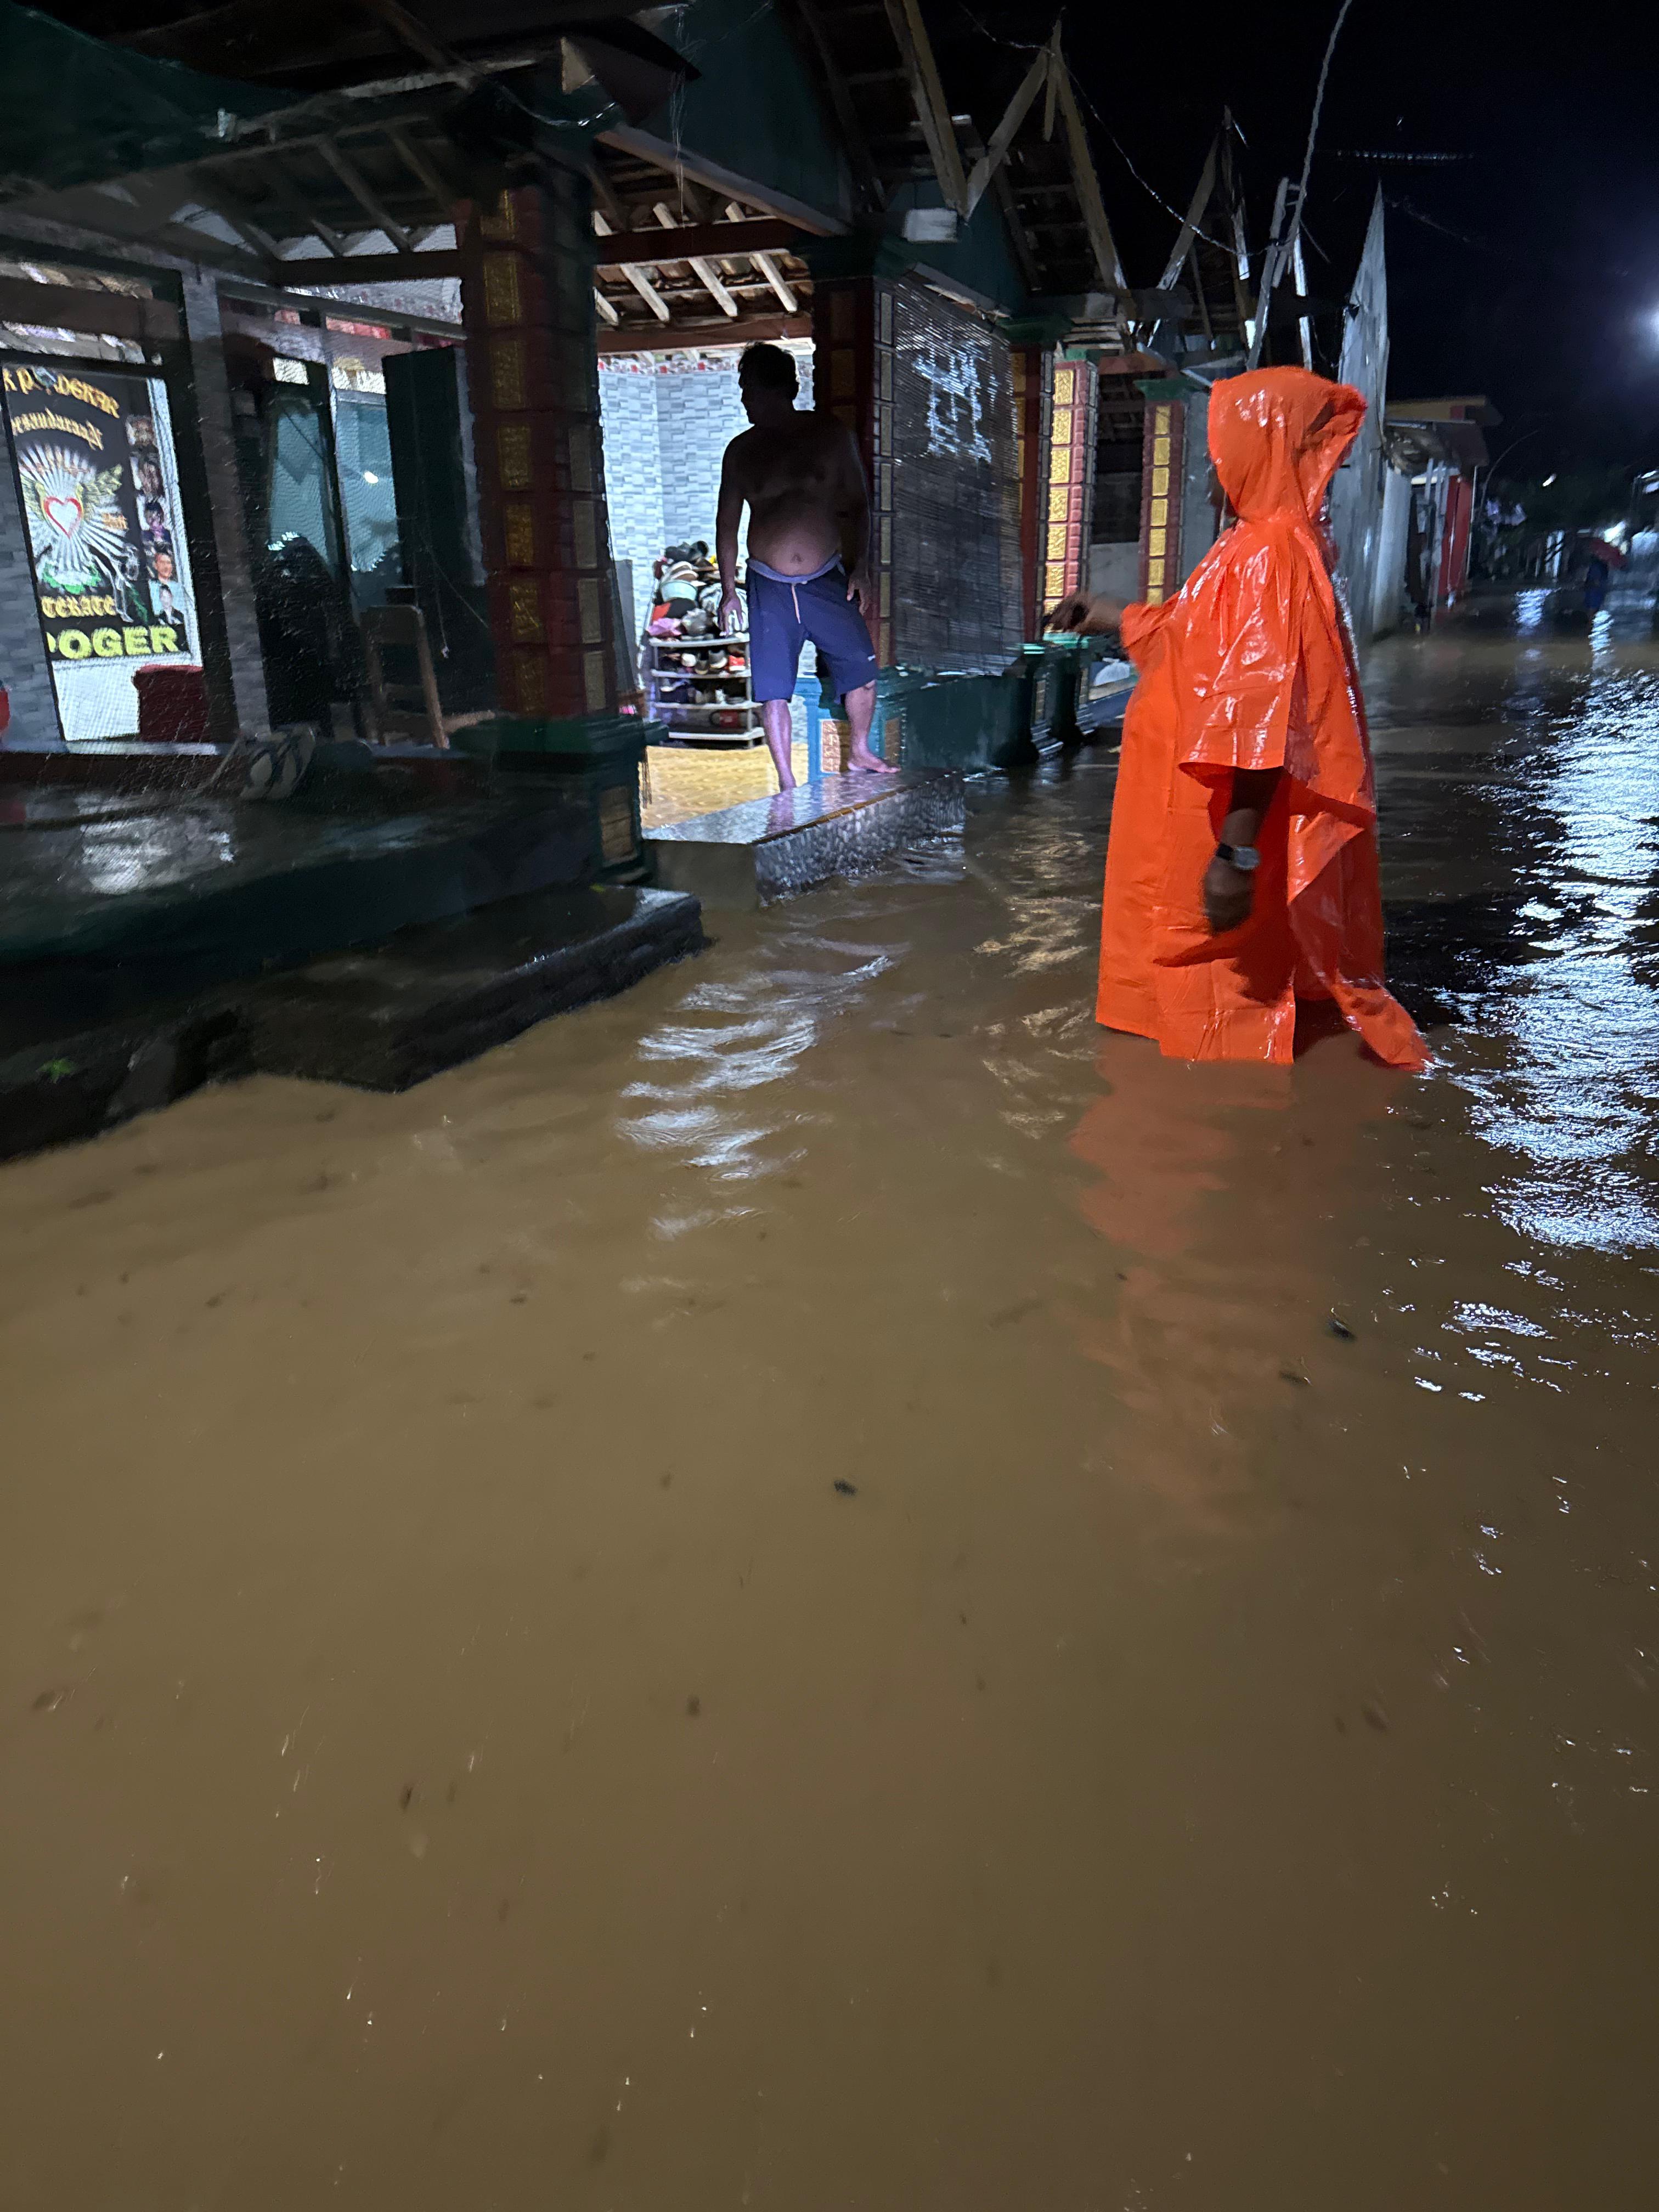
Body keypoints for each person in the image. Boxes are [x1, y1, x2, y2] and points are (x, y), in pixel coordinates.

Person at [1050, 365, 1425, 1070]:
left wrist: (1234, 857)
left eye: (1224, 447)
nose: (1213, 467)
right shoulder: (1266, 545)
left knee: (1217, 992)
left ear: (1263, 443)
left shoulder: (1267, 555)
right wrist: (1107, 614)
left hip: (1210, 817)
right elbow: (1196, 645)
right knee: (1208, 977)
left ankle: (1233, 1131)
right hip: (1201, 807)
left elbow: (1263, 715)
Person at [716, 342, 895, 790]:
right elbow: (726, 526)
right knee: (773, 689)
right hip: (768, 584)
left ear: (782, 390)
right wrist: (728, 591)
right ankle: (786, 781)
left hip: (826, 577)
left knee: (861, 669)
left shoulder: (828, 435)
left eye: (750, 390)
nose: (744, 400)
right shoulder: (740, 451)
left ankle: (858, 752)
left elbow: (859, 505)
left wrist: (862, 569)